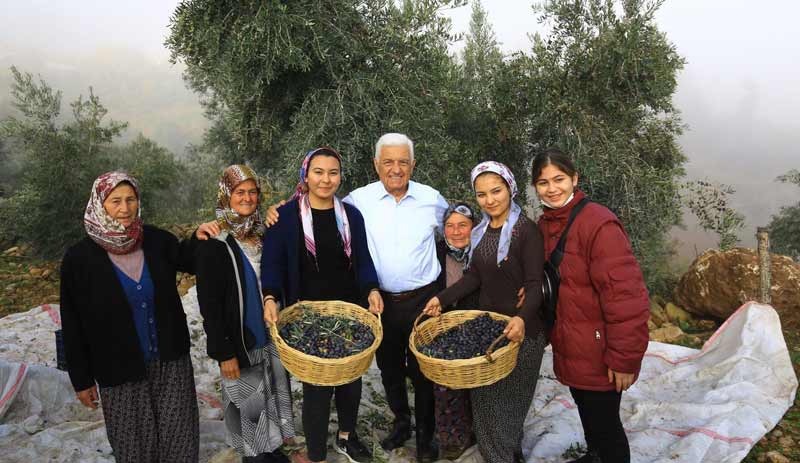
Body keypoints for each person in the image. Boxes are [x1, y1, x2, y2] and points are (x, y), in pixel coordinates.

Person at [59, 172, 199, 462]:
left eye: (131, 200)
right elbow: (72, 323)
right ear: (100, 204)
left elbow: (192, 259)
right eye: (115, 201)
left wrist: (203, 235)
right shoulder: (79, 259)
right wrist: (82, 379)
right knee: (133, 446)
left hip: (170, 362)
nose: (125, 208)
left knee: (180, 439)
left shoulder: (157, 241)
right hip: (118, 369)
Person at [261, 147, 383, 463]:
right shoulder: (285, 217)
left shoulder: (351, 216)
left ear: (340, 176)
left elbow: (364, 261)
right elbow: (272, 264)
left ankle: (346, 436)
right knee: (316, 385)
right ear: (306, 174)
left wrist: (370, 289)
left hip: (347, 312)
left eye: (333, 172)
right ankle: (316, 452)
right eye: (318, 172)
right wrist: (271, 296)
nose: (326, 179)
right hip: (306, 316)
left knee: (350, 378)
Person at [531, 148, 649, 463]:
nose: (552, 188)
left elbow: (626, 297)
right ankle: (595, 454)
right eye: (543, 182)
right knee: (589, 415)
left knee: (607, 425)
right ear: (535, 187)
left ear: (574, 179)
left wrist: (624, 359)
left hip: (600, 351)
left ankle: (606, 456)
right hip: (573, 344)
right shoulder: (546, 225)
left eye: (559, 179)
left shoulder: (598, 224)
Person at [423, 161, 546, 463]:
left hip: (522, 332)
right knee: (487, 408)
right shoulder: (480, 232)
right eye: (482, 194)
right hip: (491, 331)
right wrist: (441, 298)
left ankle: (503, 455)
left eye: (496, 191)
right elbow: (474, 277)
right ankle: (506, 455)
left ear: (510, 189)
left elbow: (534, 284)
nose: (490, 200)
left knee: (507, 408)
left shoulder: (524, 231)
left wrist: (521, 318)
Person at [342, 133, 449, 462]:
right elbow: (317, 209)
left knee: (424, 371)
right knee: (388, 367)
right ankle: (402, 422)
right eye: (388, 162)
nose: (396, 168)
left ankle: (427, 436)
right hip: (380, 303)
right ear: (376, 165)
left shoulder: (432, 199)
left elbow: (460, 231)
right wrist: (280, 209)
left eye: (403, 162)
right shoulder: (358, 200)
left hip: (424, 301)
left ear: (413, 164)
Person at [194, 165, 296, 463]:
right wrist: (223, 351)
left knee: (274, 391)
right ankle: (255, 456)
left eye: (253, 192)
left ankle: (273, 447)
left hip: (271, 330)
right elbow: (209, 304)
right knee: (248, 396)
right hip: (240, 337)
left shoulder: (263, 232)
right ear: (226, 196)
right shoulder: (215, 242)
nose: (248, 198)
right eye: (240, 192)